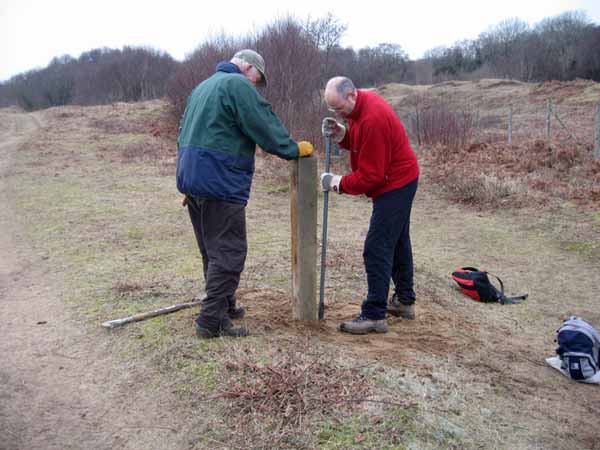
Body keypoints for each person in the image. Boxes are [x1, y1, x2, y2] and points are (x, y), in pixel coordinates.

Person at [177, 49, 314, 339]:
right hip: (219, 181)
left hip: (194, 179)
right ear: (249, 68)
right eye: (257, 79)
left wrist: (192, 177)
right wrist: (291, 148)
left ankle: (224, 307)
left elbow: (183, 131)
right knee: (229, 252)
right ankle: (210, 321)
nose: (255, 85)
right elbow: (261, 121)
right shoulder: (237, 84)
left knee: (213, 251)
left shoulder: (204, 86)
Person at [320, 76, 419, 335]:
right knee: (397, 241)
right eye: (332, 110)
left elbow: (371, 176)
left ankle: (375, 314)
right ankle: (405, 301)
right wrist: (344, 135)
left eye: (339, 108)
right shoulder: (360, 107)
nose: (337, 114)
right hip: (399, 179)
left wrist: (337, 183)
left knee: (376, 247)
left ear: (352, 95)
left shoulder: (373, 117)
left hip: (395, 184)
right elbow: (361, 139)